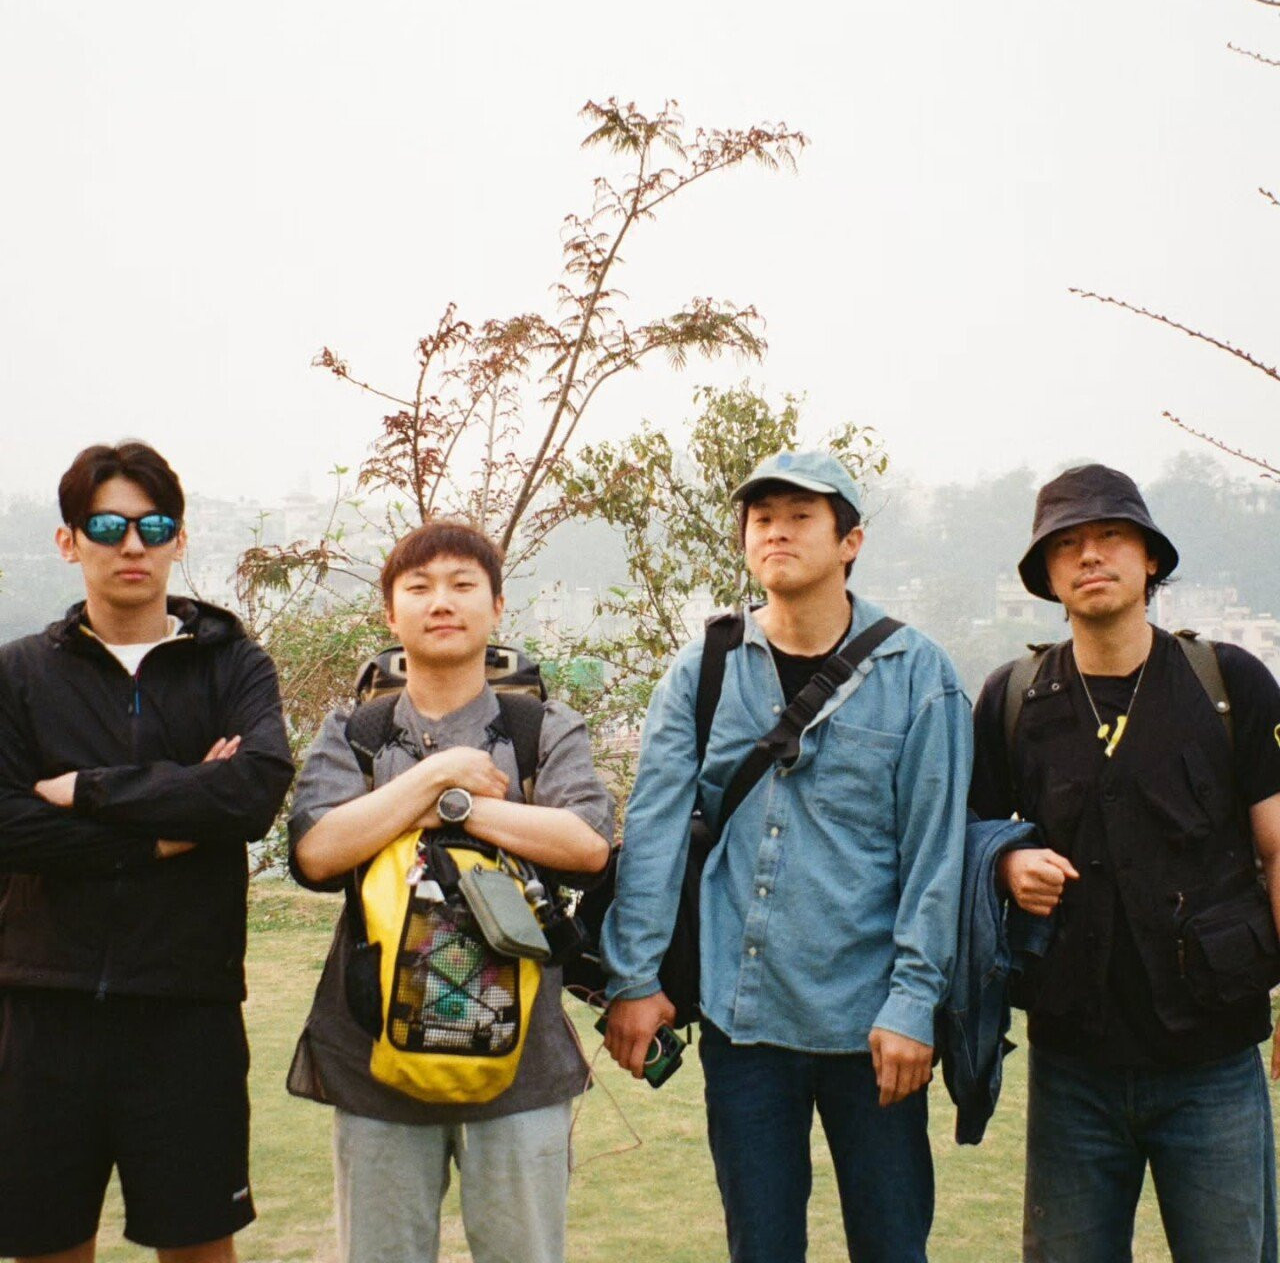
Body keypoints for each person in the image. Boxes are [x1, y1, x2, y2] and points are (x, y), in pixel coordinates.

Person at [601, 450, 972, 1263]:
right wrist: (634, 978)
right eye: (762, 519)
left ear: (850, 542)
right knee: (760, 1246)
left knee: (892, 1245)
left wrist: (914, 1002)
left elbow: (934, 854)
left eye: (801, 517)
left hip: (873, 1024)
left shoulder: (918, 674)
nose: (776, 533)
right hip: (745, 1021)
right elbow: (655, 831)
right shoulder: (704, 668)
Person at [969, 462, 1280, 1263]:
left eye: (1111, 535)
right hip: (1074, 1065)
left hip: (1213, 1061)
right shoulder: (1013, 700)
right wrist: (1005, 867)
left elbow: (1278, 848)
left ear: (1150, 559)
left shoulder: (1230, 684)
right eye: (1065, 543)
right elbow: (965, 836)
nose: (1089, 555)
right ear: (1046, 576)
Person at [287, 520, 613, 1263]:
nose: (442, 602)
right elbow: (317, 850)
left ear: (496, 607)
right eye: (419, 587)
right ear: (389, 612)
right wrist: (436, 775)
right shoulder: (357, 731)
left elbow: (587, 843)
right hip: (375, 1047)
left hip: (522, 1054)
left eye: (463, 585)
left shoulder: (540, 727)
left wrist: (449, 807)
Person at [0, 441, 295, 1263]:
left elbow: (252, 793)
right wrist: (169, 830)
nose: (132, 544)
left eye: (153, 526)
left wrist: (88, 789)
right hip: (41, 1006)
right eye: (108, 526)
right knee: (46, 1247)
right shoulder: (18, 675)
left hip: (185, 1010)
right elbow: (10, 826)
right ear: (69, 541)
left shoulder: (233, 664)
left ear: (179, 539)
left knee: (198, 1248)